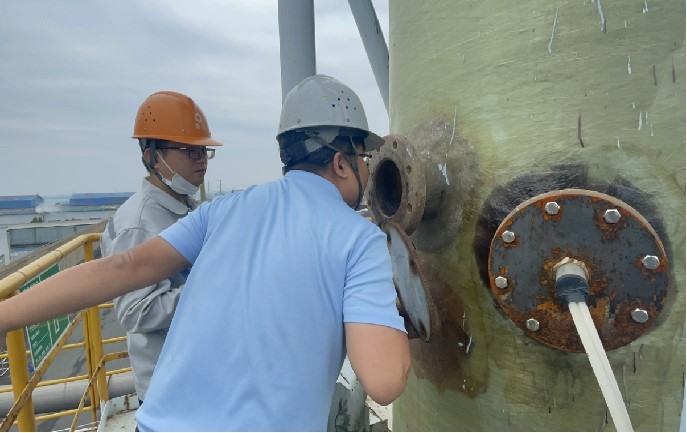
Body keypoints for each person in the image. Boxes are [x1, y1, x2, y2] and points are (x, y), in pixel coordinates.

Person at [0, 74, 411, 431]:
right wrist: (389, 308)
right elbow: (384, 380)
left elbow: (121, 267)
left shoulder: (224, 208)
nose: (368, 168)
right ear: (341, 162)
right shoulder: (360, 239)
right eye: (364, 156)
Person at [100, 90, 223, 404]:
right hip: (168, 391)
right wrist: (212, 288)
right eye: (188, 150)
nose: (201, 161)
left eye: (203, 151)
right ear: (152, 156)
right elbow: (134, 311)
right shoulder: (139, 222)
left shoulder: (187, 207)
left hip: (195, 376)